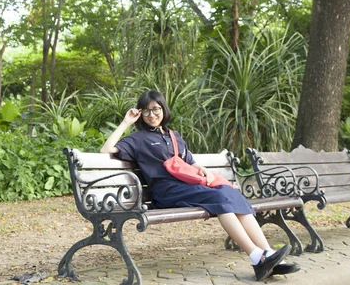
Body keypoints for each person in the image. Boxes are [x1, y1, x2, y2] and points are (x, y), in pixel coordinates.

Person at [101, 90, 300, 281]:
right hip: (166, 191)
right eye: (146, 111)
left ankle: (268, 254)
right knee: (219, 198)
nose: (152, 114)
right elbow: (106, 150)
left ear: (164, 109)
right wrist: (126, 122)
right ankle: (256, 257)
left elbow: (187, 160)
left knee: (231, 194)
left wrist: (200, 168)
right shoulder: (137, 139)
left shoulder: (173, 135)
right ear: (140, 113)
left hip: (186, 186)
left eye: (156, 109)